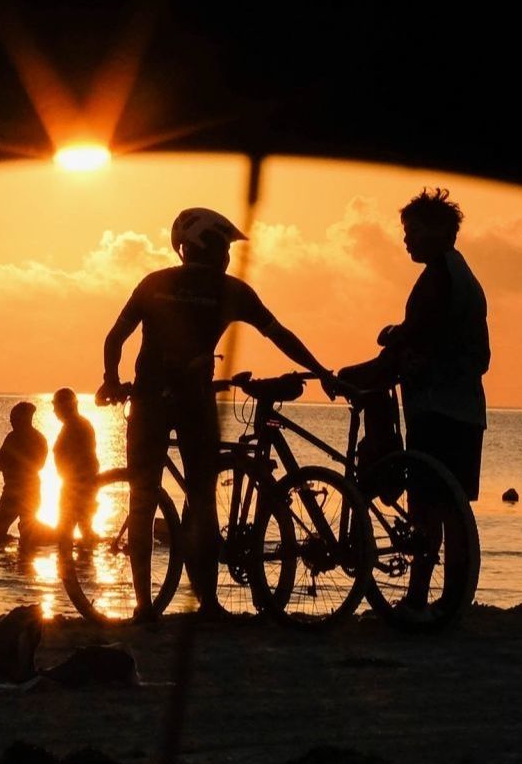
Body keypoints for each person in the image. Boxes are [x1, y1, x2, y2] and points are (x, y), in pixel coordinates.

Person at [98, 206, 340, 621]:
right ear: (204, 247)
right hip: (195, 402)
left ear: (182, 249)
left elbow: (114, 338)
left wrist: (110, 379)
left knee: (142, 500)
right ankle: (208, 605)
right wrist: (321, 373)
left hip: (151, 400)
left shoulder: (153, 284)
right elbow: (280, 335)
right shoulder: (232, 290)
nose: (228, 255)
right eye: (223, 246)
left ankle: (143, 608)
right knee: (203, 500)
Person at [344, 188, 489, 607]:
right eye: (405, 231)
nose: (406, 239)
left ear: (441, 230)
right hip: (461, 408)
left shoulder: (440, 278)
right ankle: (451, 597)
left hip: (439, 408)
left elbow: (421, 336)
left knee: (430, 505)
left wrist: (388, 344)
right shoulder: (458, 275)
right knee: (451, 506)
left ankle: (422, 596)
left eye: (413, 231)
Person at [0, 401, 47, 544]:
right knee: (6, 530)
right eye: (11, 419)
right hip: (18, 490)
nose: (11, 422)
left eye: (14, 419)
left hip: (21, 492)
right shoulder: (18, 437)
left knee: (5, 531)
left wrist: (14, 464)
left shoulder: (26, 438)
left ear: (24, 419)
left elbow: (38, 465)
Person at [52, 388, 100, 549]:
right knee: (81, 524)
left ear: (65, 407)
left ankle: (73, 566)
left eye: (56, 407)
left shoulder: (76, 426)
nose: (54, 411)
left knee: (68, 529)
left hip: (78, 484)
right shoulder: (75, 425)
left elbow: (83, 457)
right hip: (75, 482)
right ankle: (83, 563)